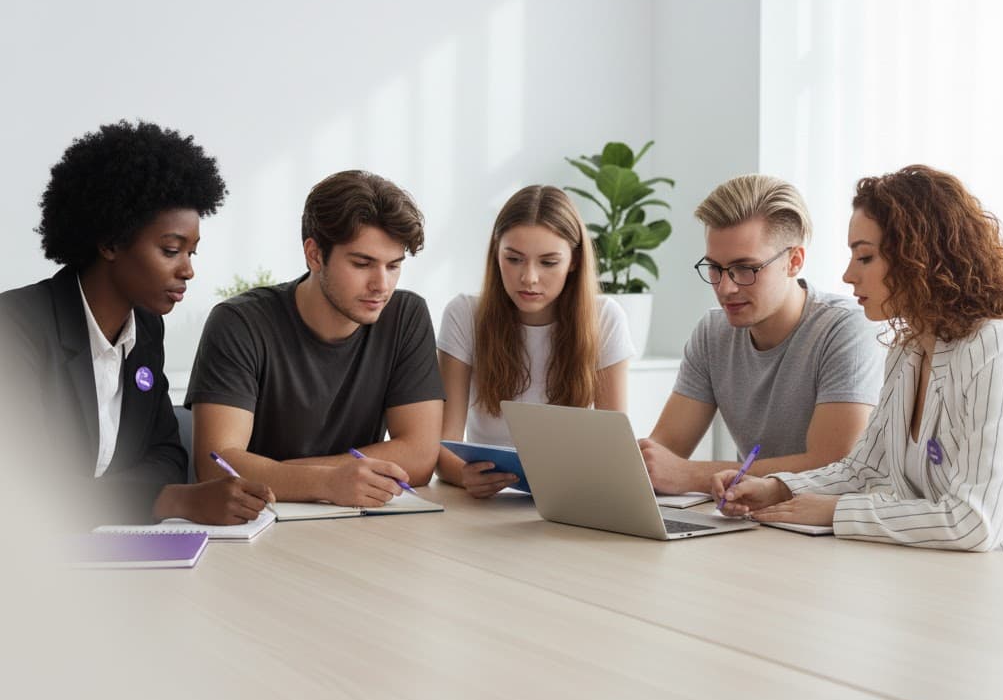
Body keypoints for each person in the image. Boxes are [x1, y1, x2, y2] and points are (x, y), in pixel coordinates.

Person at [714, 165, 1003, 553]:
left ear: (918, 257)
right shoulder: (907, 352)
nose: (847, 275)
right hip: (930, 579)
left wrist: (837, 511)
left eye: (865, 258)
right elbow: (864, 468)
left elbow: (974, 522)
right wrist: (776, 488)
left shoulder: (996, 346)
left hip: (998, 588)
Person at [0, 120, 273, 526]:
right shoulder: (16, 326)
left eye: (191, 253)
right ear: (110, 242)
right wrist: (168, 501)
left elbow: (167, 455)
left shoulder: (145, 328)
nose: (187, 271)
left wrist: (132, 496)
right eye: (170, 249)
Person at [187, 170, 444, 506]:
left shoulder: (406, 316)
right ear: (315, 254)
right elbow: (216, 464)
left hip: (356, 526)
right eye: (362, 263)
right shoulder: (239, 323)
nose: (381, 285)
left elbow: (420, 456)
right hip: (260, 522)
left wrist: (280, 474)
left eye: (393, 266)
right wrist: (325, 482)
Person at [639, 175, 883, 493]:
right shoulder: (713, 333)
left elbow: (832, 463)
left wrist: (692, 475)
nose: (726, 288)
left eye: (746, 268)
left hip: (827, 529)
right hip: (750, 520)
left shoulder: (845, 328)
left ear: (794, 261)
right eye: (715, 268)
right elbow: (663, 457)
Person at [436, 184, 635, 498]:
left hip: (572, 500)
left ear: (574, 260)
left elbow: (616, 452)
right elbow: (443, 449)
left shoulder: (605, 319)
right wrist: (464, 476)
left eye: (548, 262)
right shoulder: (464, 315)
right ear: (496, 253)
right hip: (487, 505)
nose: (528, 278)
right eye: (514, 259)